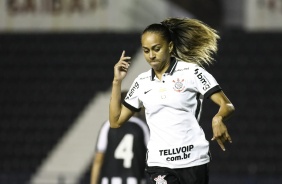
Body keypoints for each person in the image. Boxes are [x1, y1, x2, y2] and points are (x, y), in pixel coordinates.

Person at [109, 17, 235, 184]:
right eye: (146, 51)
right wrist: (117, 82)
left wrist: (218, 117)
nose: (151, 56)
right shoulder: (141, 82)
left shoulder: (192, 72)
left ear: (170, 46)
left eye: (156, 49)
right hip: (160, 164)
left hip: (193, 161)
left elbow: (226, 104)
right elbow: (115, 121)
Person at [91, 91, 150, 184]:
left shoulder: (108, 125)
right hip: (135, 180)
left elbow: (98, 159)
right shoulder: (142, 127)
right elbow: (152, 157)